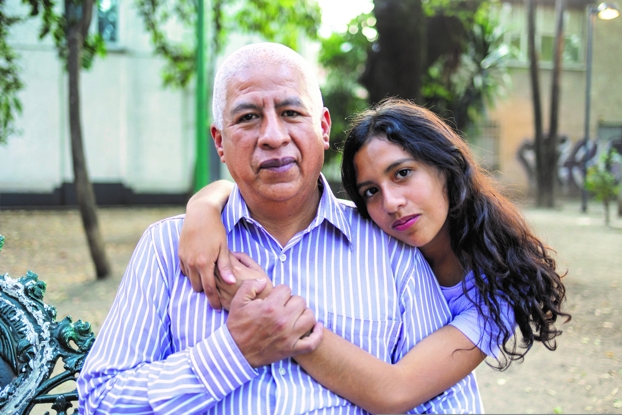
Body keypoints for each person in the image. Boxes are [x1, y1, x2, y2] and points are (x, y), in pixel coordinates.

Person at [77, 43, 478, 414]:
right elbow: (100, 400)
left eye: (290, 113)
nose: (272, 136)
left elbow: (447, 405)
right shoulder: (169, 247)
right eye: (248, 117)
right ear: (220, 141)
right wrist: (234, 351)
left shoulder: (391, 246)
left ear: (323, 128)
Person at [179, 98, 571, 413]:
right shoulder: (380, 242)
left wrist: (271, 312)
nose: (392, 203)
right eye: (371, 191)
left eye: (402, 173)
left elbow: (395, 392)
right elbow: (249, 188)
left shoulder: (497, 288)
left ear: (445, 166)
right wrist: (204, 206)